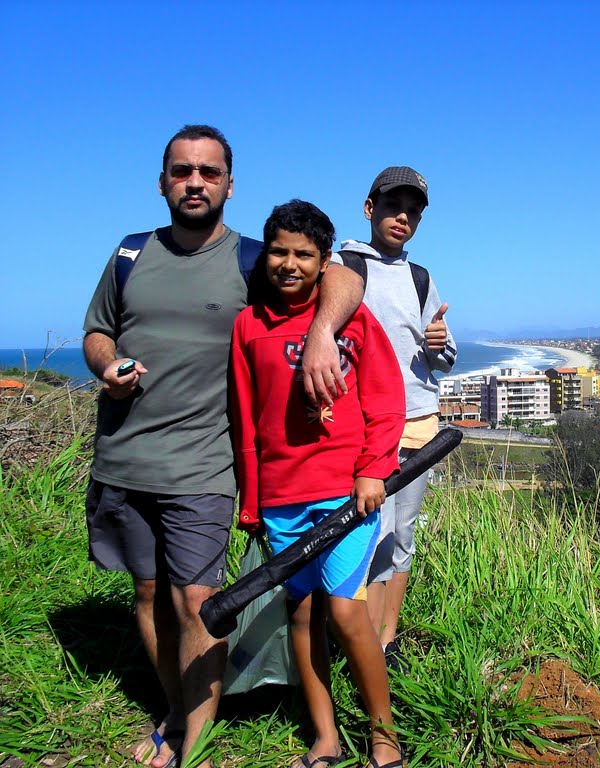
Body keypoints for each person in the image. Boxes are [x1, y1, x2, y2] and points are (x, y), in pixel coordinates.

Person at [82, 125, 364, 768]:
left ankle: (192, 742)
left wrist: (321, 335)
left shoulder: (251, 260)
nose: (195, 183)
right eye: (182, 171)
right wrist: (105, 364)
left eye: (209, 173)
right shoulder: (129, 254)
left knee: (198, 602)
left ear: (230, 186)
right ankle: (179, 711)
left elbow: (344, 279)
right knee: (149, 596)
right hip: (124, 456)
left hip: (205, 463)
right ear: (163, 182)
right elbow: (97, 330)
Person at [231, 200, 406, 768]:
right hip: (283, 499)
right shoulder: (248, 325)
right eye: (279, 251)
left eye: (304, 255)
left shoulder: (349, 320)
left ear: (323, 260)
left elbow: (384, 397)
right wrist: (252, 504)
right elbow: (245, 420)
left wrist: (373, 468)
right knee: (301, 616)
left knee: (348, 612)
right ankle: (325, 735)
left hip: (346, 494)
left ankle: (383, 732)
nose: (289, 264)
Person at [335, 166, 457, 667]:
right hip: (360, 426)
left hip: (418, 419)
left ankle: (387, 641)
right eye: (392, 206)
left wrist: (439, 345)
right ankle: (355, 643)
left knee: (401, 534)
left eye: (413, 211)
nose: (402, 217)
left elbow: (443, 355)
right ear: (370, 209)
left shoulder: (420, 277)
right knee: (361, 533)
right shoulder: (342, 266)